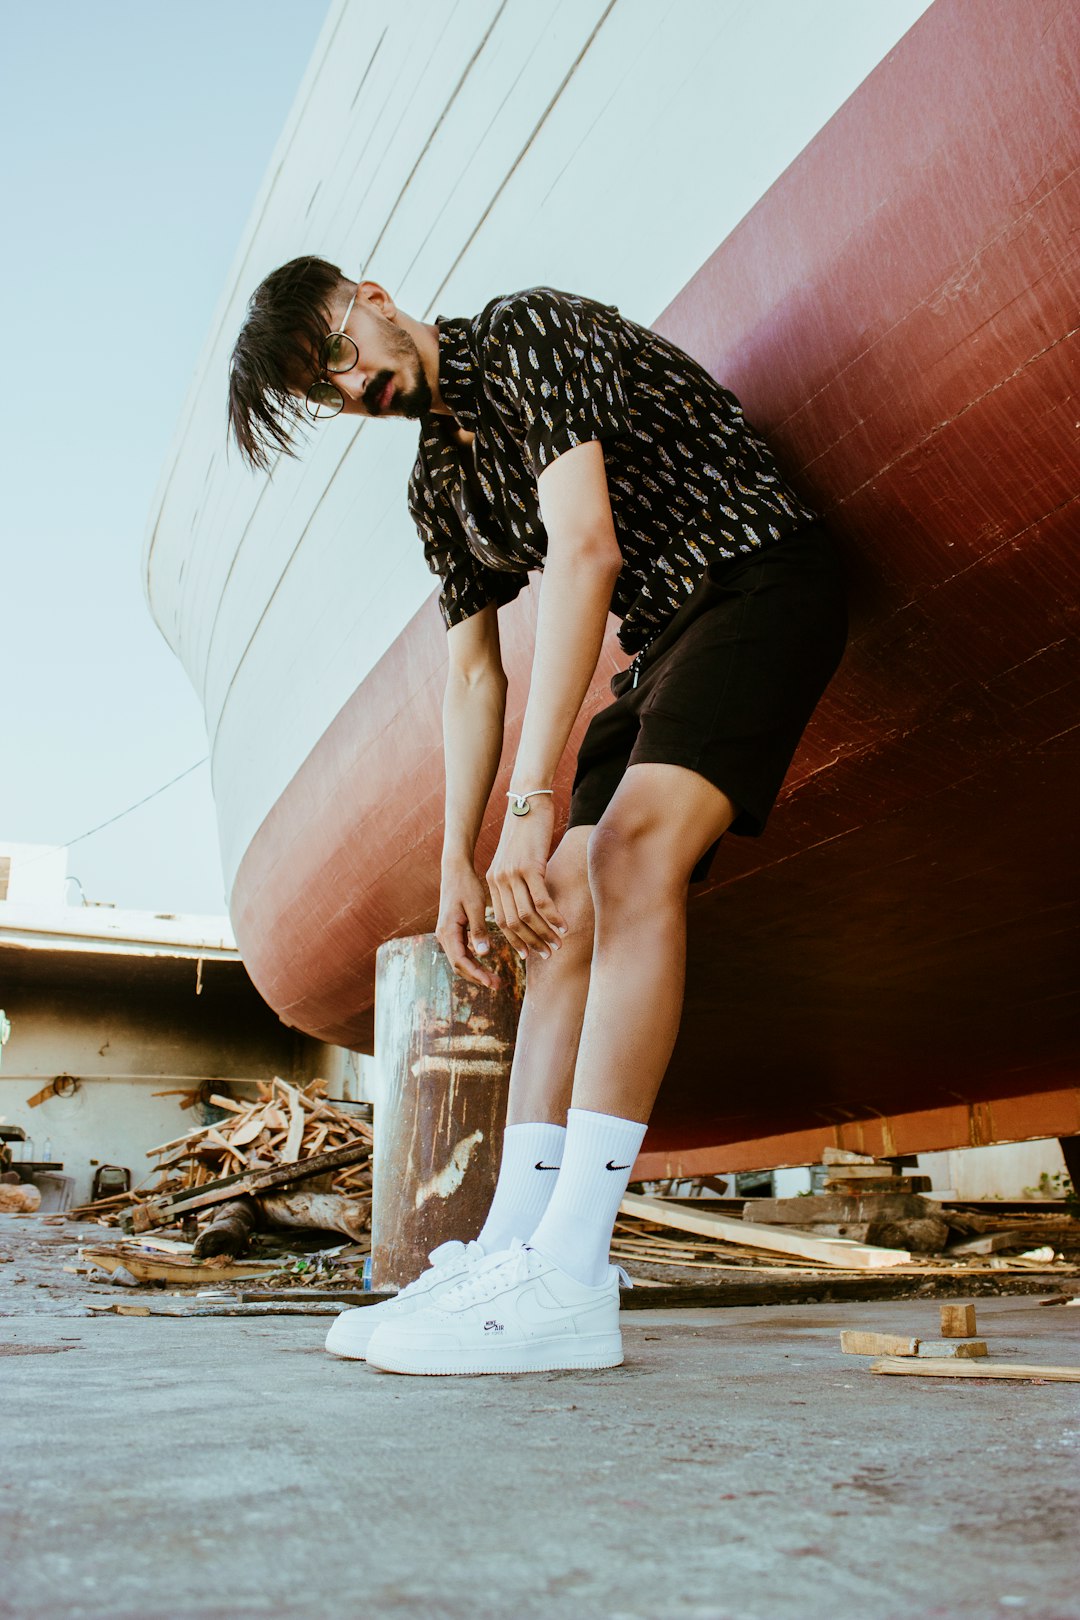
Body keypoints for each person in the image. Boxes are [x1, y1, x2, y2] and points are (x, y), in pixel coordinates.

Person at [227, 258, 848, 1376]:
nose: (350, 385)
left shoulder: (524, 335)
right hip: (666, 646)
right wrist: (459, 862)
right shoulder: (436, 485)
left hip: (760, 579)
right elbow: (473, 679)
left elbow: (587, 547)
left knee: (624, 861)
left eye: (336, 353)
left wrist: (533, 801)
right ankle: (514, 1237)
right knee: (550, 906)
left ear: (369, 294)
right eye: (325, 394)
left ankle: (575, 1265)